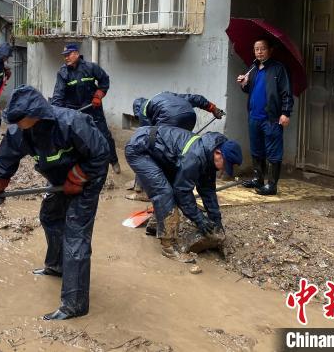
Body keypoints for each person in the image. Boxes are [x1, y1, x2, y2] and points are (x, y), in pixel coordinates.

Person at [0, 85, 109, 320]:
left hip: (87, 177)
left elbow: (101, 153)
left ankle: (75, 304)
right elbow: (7, 158)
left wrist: (79, 177)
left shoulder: (72, 123)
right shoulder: (19, 132)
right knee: (50, 216)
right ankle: (57, 266)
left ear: (35, 114)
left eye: (20, 119)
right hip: (59, 179)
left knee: (75, 234)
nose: (16, 124)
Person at [125, 125, 242, 259]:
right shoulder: (195, 158)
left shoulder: (209, 154)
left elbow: (208, 190)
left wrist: (216, 221)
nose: (224, 170)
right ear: (218, 153)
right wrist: (200, 220)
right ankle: (168, 247)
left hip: (160, 151)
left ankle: (155, 226)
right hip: (140, 149)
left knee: (169, 188)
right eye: (225, 165)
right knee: (165, 192)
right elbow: (182, 193)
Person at [236, 38, 293, 196]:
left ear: (270, 50)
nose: (259, 52)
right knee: (257, 149)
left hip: (272, 118)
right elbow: (250, 90)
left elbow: (286, 92)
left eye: (262, 49)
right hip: (254, 117)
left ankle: (272, 185)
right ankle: (258, 179)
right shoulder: (253, 69)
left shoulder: (278, 69)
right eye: (256, 49)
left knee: (273, 151)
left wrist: (285, 113)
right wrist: (244, 83)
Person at [51, 44, 120, 174]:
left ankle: (114, 161)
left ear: (76, 53)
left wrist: (98, 95)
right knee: (76, 139)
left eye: (68, 54)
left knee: (104, 136)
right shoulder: (63, 72)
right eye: (64, 56)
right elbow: (58, 95)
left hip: (93, 108)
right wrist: (57, 114)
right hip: (74, 111)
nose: (66, 58)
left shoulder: (91, 67)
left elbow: (104, 80)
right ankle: (81, 167)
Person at [133, 92, 225, 130]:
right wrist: (213, 109)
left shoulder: (142, 110)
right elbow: (194, 99)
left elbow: (147, 133)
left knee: (160, 142)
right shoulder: (164, 95)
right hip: (190, 115)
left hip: (170, 118)